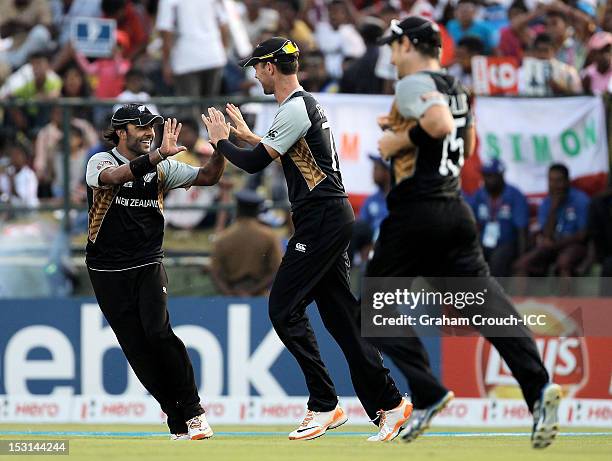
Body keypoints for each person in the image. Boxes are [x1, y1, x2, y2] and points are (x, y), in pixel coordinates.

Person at [202, 36, 411, 442]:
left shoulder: (295, 107)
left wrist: (221, 141)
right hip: (328, 217)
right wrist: (245, 135)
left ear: (269, 67)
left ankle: (323, 404)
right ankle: (389, 404)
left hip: (321, 220)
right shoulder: (302, 105)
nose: (254, 74)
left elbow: (253, 165)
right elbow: (281, 151)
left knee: (282, 308)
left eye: (256, 67)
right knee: (341, 320)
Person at [371, 17, 559, 447]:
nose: (391, 55)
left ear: (411, 44)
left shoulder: (413, 83)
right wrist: (405, 130)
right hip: (454, 210)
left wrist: (400, 142)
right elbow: (466, 144)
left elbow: (437, 124)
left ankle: (428, 392)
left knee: (374, 311)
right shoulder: (456, 85)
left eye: (394, 46)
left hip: (417, 212)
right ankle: (539, 387)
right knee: (487, 310)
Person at [85, 104, 226, 441]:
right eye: (141, 126)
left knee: (158, 333)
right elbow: (115, 178)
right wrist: (156, 157)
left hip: (147, 261)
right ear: (121, 131)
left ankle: (194, 412)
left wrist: (221, 147)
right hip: (105, 269)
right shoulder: (100, 161)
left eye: (153, 126)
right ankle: (176, 420)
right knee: (136, 347)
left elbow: (209, 177)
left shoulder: (162, 168)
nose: (150, 132)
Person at [514, 163, 590, 280]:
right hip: (551, 245)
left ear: (567, 181)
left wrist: (556, 244)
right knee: (522, 264)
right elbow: (547, 234)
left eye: (558, 181)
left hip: (574, 245)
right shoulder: (546, 202)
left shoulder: (581, 200)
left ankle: (566, 298)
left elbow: (582, 235)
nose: (554, 185)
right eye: (551, 181)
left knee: (564, 262)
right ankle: (523, 298)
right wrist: (554, 208)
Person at [210, 189, 282, 296]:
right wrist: (252, 291)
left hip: (231, 295)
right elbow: (276, 270)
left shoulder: (223, 237)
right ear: (258, 210)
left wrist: (229, 292)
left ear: (238, 209)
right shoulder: (269, 236)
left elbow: (215, 272)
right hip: (260, 296)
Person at [471, 158, 529, 277]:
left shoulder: (514, 195)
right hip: (484, 241)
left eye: (491, 176)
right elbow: (471, 224)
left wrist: (523, 259)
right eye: (485, 175)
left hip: (507, 242)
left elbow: (522, 229)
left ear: (501, 175)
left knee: (498, 259)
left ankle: (496, 294)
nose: (487, 180)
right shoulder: (479, 195)